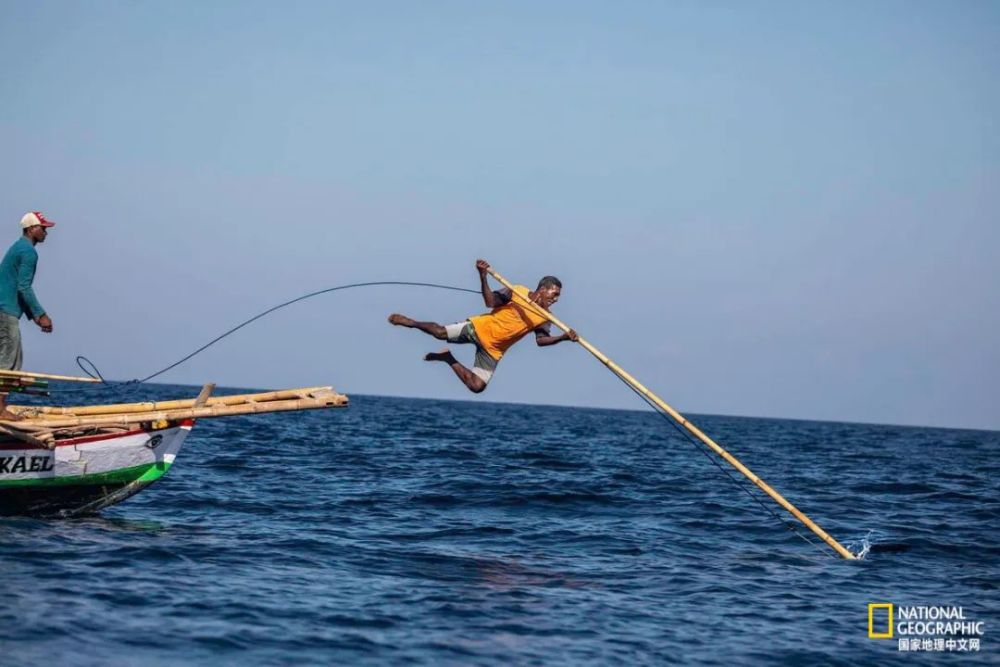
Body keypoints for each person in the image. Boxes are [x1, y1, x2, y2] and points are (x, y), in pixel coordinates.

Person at [388, 259, 578, 393]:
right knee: (439, 332)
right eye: (554, 294)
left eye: (558, 296)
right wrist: (483, 276)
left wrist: (562, 338)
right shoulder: (517, 291)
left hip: (493, 350)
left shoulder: (546, 317)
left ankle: (447, 358)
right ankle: (411, 323)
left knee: (477, 386)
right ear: (543, 290)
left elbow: (541, 340)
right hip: (479, 328)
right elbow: (489, 302)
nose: (556, 299)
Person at [0, 212, 56, 419]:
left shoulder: (19, 247)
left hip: (5, 309)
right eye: (43, 228)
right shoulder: (28, 252)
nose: (46, 233)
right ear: (31, 229)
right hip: (5, 310)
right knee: (9, 361)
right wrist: (41, 315)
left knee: (12, 358)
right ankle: (0, 410)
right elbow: (23, 287)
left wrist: (34, 317)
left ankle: (1, 407)